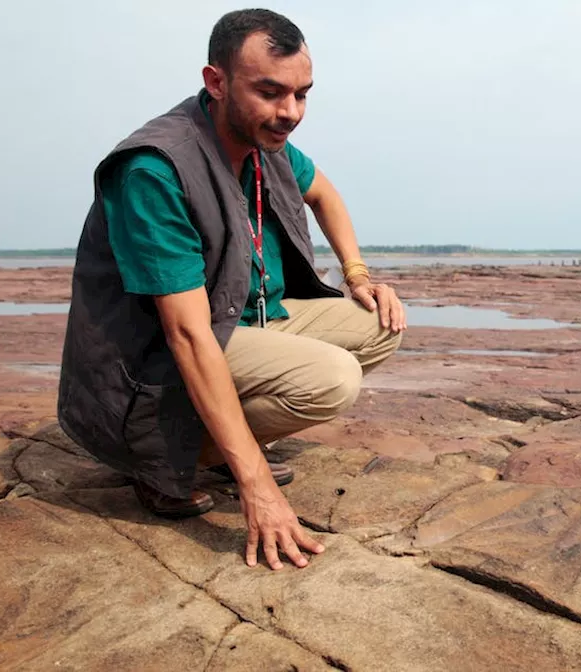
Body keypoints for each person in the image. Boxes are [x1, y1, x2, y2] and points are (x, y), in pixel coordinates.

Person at [57, 9, 405, 571]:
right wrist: (259, 486)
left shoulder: (266, 140)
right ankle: (160, 458)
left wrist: (359, 275)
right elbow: (188, 336)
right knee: (331, 380)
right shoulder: (155, 167)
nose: (289, 113)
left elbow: (324, 193)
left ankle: (212, 443)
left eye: (301, 94)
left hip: (239, 319)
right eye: (270, 92)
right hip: (155, 361)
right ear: (215, 82)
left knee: (380, 326)